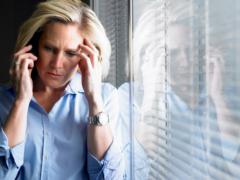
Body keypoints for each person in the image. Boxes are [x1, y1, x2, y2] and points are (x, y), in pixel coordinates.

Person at [0, 0, 126, 179]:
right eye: (49, 48)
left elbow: (109, 177)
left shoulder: (105, 97)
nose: (57, 64)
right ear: (34, 46)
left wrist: (93, 100)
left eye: (71, 53)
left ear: (87, 56)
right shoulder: (4, 100)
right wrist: (21, 102)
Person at [119, 0, 240, 179]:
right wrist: (152, 97)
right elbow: (132, 172)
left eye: (190, 50)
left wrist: (219, 98)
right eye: (172, 54)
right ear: (150, 57)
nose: (185, 62)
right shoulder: (129, 98)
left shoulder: (220, 91)